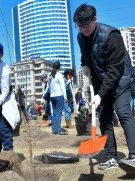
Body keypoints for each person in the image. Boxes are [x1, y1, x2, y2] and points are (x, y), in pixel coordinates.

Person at [74, 3, 135, 171]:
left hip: (120, 79)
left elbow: (115, 69)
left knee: (123, 114)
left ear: (95, 19)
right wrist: (84, 65)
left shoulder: (111, 35)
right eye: (79, 26)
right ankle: (110, 158)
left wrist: (100, 95)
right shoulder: (81, 37)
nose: (83, 29)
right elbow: (85, 55)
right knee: (104, 119)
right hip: (101, 81)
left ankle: (134, 156)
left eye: (86, 25)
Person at [42, 61, 67, 135]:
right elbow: (63, 87)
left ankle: (54, 129)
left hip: (52, 96)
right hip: (59, 96)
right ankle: (58, 129)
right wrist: (65, 97)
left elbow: (48, 87)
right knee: (58, 113)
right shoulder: (59, 75)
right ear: (59, 67)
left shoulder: (49, 76)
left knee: (54, 113)